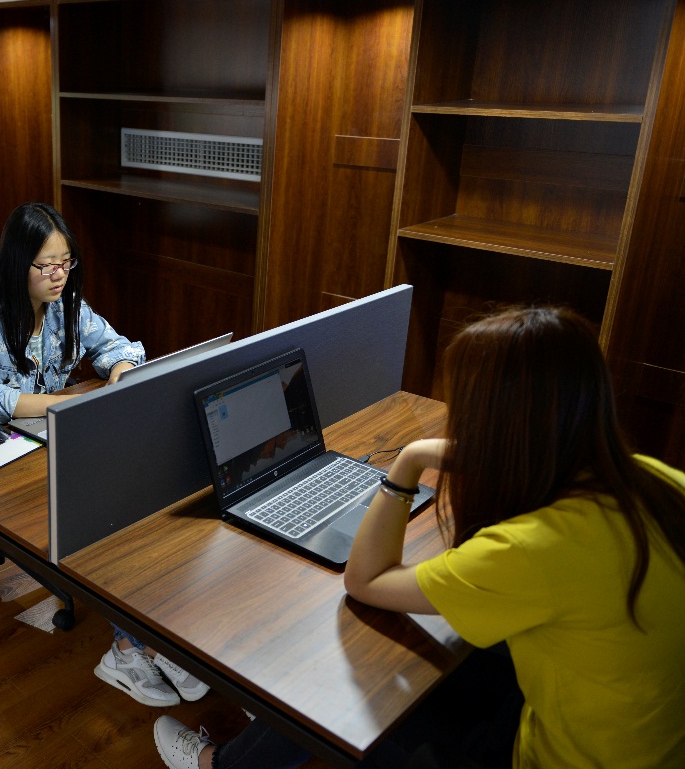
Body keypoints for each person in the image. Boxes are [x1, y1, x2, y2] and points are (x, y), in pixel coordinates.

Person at [153, 306, 685, 769]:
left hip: (551, 755)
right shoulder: (656, 480)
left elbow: (365, 580)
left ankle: (223, 763)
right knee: (418, 648)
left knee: (328, 683)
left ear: (497, 427)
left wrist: (408, 461)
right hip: (644, 741)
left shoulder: (532, 548)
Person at [0, 202, 208, 709]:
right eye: (46, 265)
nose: (58, 275)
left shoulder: (68, 308)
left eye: (66, 263)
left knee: (133, 503)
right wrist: (59, 404)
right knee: (93, 518)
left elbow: (121, 348)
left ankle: (153, 634)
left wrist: (119, 377)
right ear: (17, 262)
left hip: (49, 439)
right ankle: (132, 645)